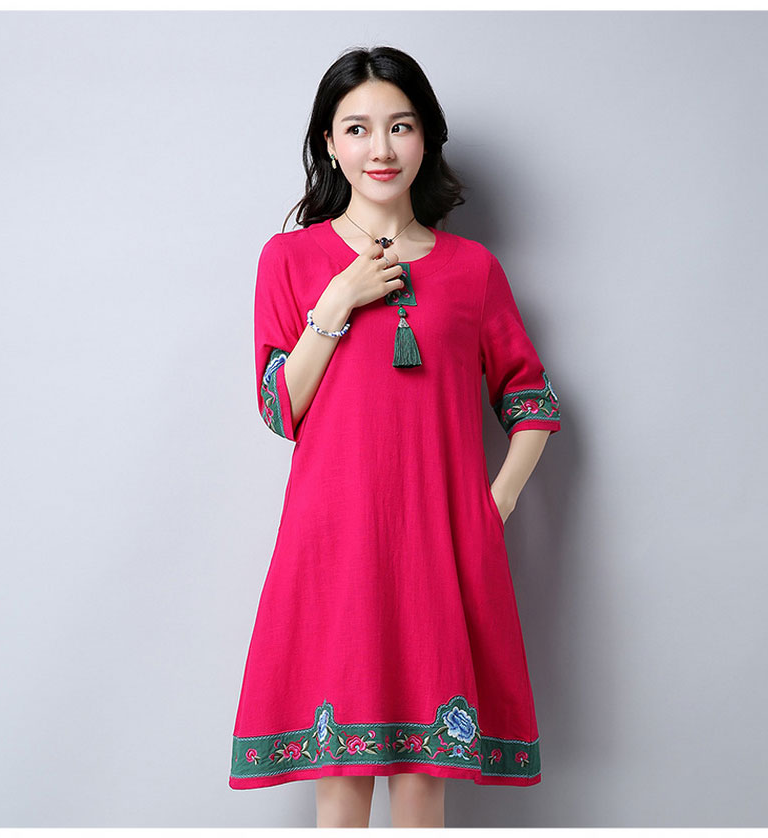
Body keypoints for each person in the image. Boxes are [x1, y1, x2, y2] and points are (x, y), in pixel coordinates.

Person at [229, 45, 562, 828]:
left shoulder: (473, 270)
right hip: (334, 545)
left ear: (427, 139)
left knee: (422, 782)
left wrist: (494, 504)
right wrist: (335, 304)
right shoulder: (290, 259)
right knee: (340, 780)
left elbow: (531, 398)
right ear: (328, 143)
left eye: (400, 126)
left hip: (438, 549)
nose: (380, 149)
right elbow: (279, 410)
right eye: (357, 129)